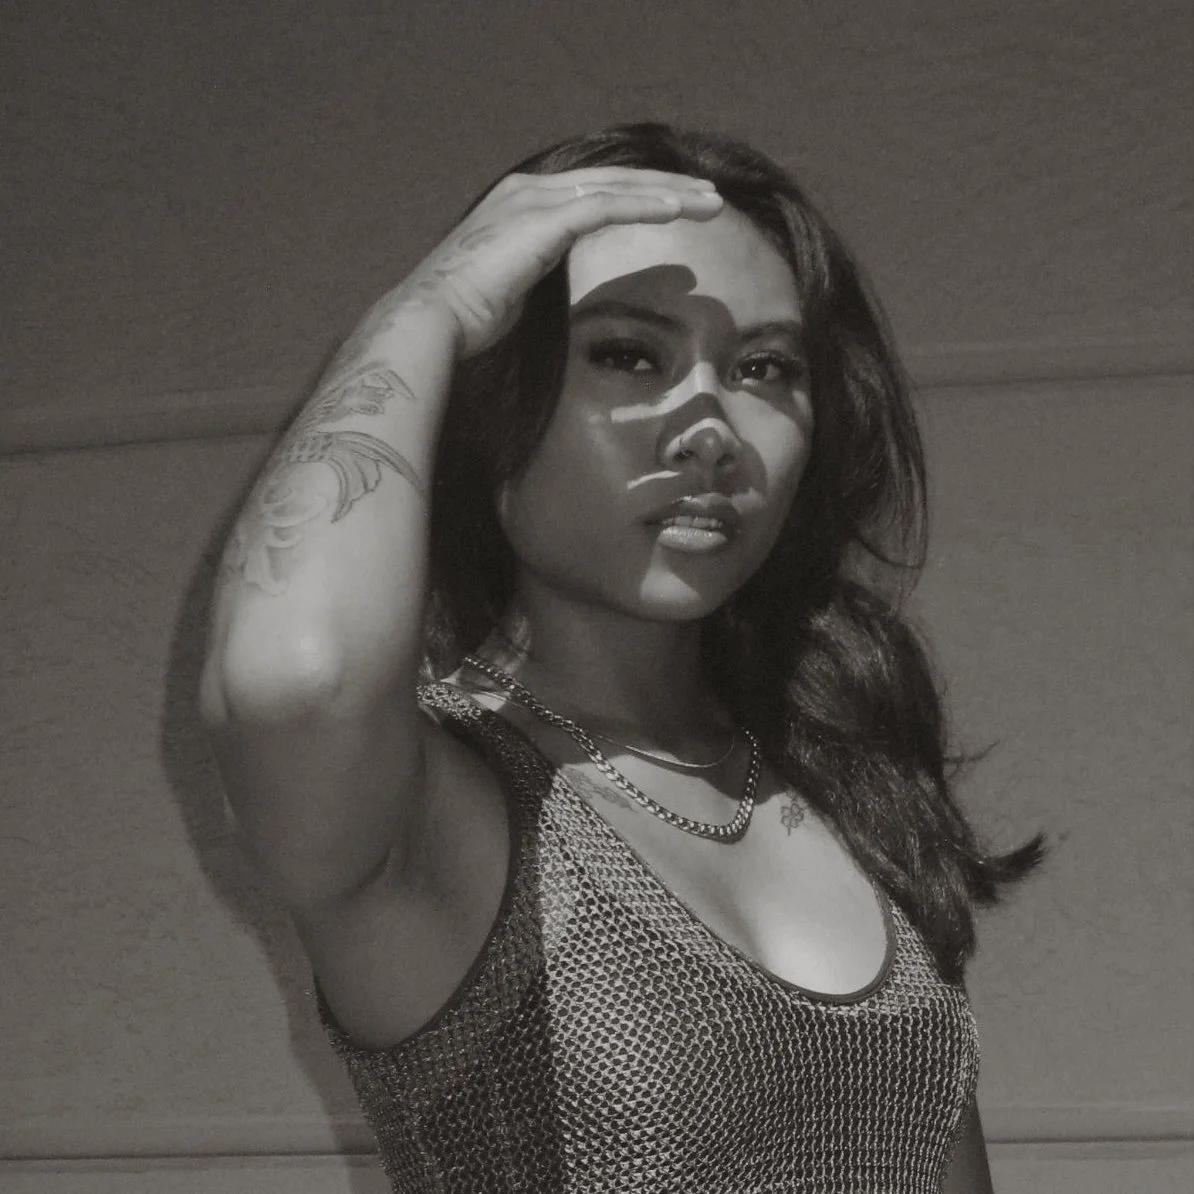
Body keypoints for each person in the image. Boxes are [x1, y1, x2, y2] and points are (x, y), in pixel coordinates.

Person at [200, 122, 1042, 1192]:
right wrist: (430, 308)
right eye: (629, 354)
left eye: (764, 368)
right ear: (491, 405)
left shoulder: (838, 774)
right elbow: (295, 675)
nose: (708, 424)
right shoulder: (440, 812)